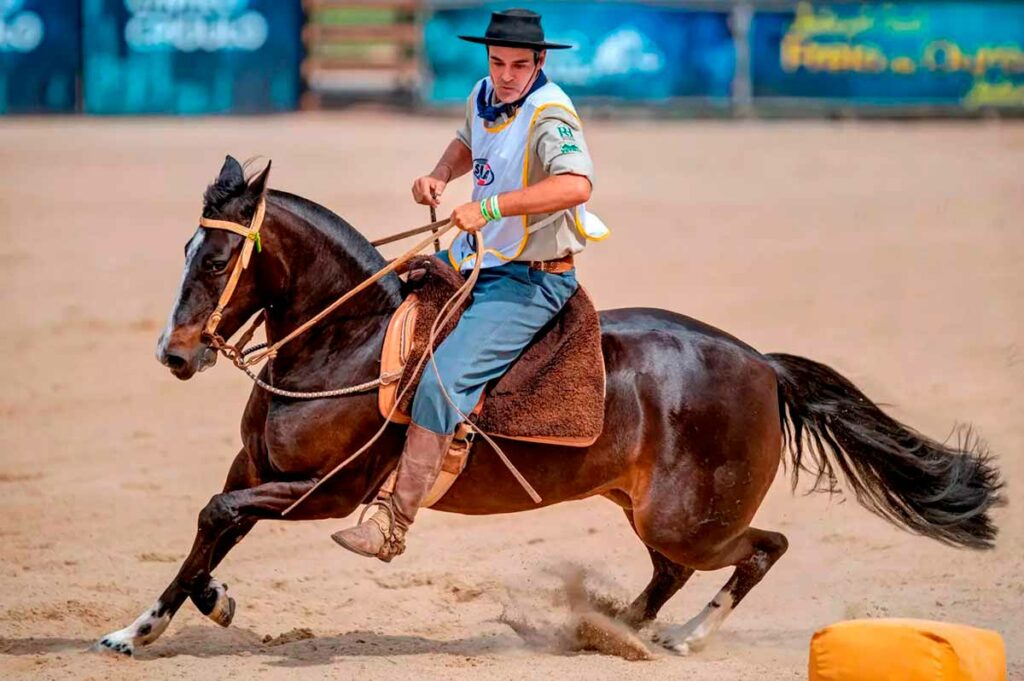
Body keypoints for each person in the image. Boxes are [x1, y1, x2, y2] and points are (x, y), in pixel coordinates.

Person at [331, 8, 605, 561]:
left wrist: (492, 207)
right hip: (473, 261)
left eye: (518, 65)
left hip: (528, 281)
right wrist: (438, 175)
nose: (506, 75)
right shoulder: (483, 93)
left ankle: (393, 522)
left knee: (439, 382)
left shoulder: (552, 115)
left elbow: (576, 186)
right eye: (498, 62)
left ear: (540, 62)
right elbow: (467, 140)